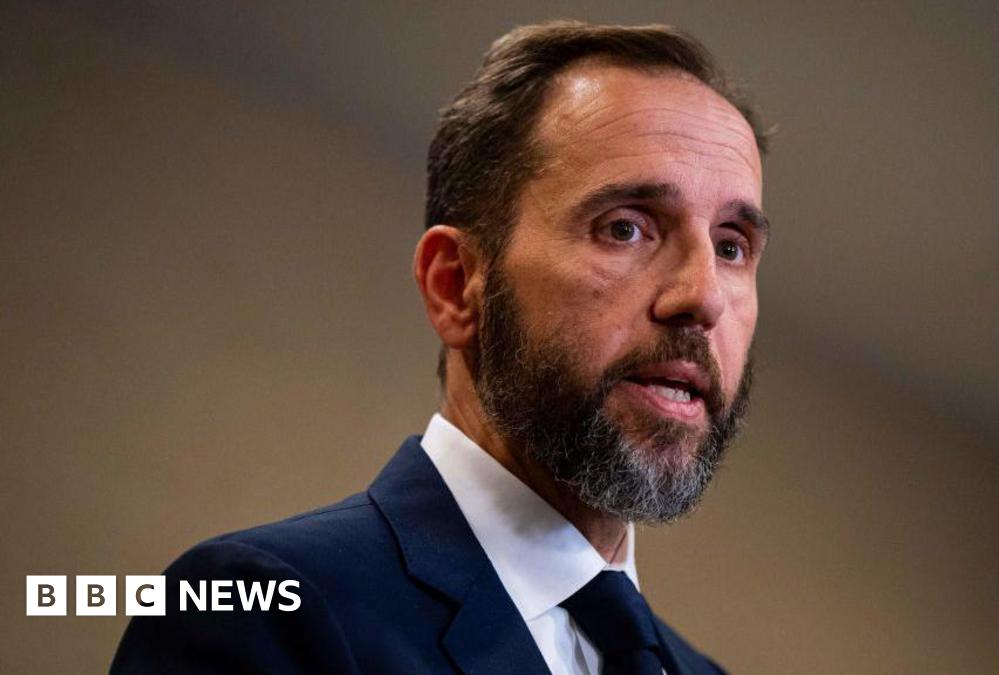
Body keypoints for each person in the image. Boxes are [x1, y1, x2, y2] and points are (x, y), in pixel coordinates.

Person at [112, 19, 770, 675]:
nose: (703, 296)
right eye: (625, 228)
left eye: (732, 245)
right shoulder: (260, 617)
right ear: (456, 285)